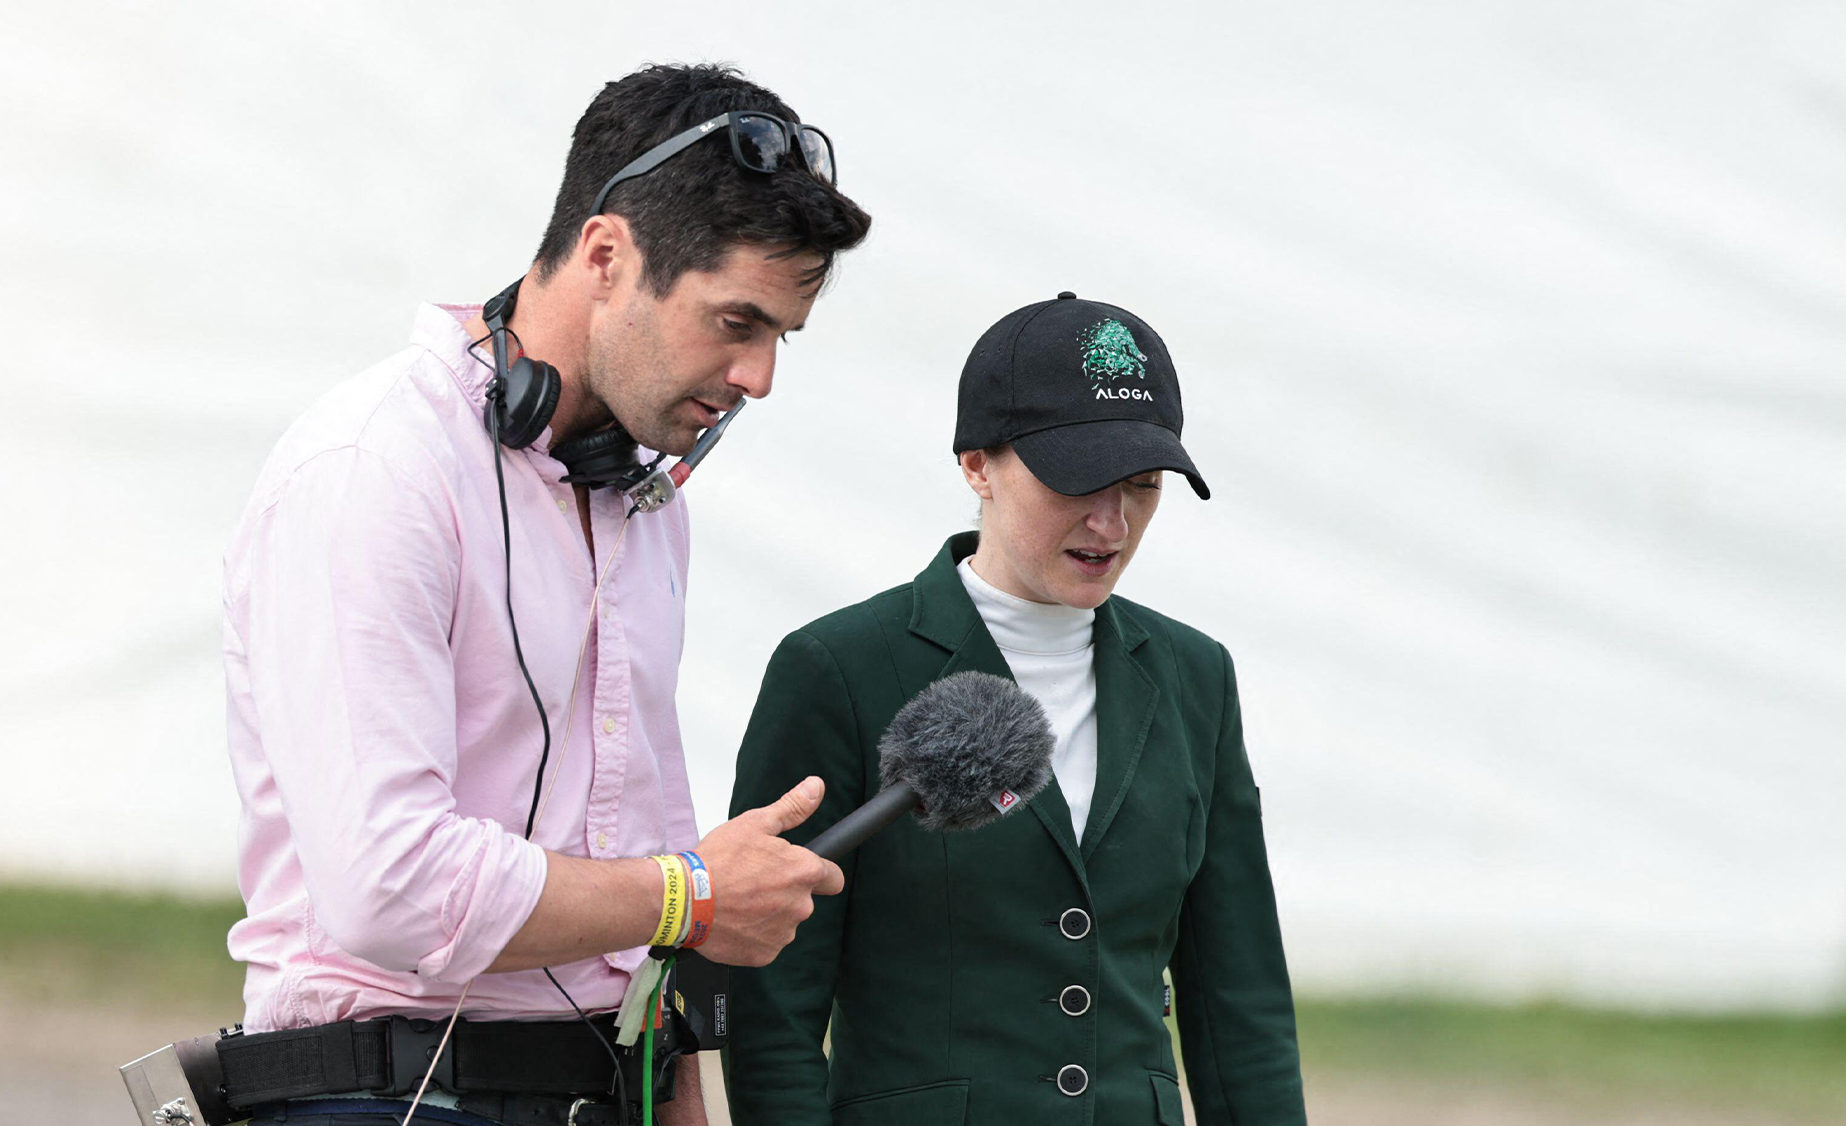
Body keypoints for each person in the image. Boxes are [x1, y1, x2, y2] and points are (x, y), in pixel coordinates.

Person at [219, 64, 870, 1126]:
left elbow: (648, 840)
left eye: (777, 338)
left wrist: (677, 1090)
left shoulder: (644, 501)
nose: (758, 377)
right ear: (606, 256)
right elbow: (388, 883)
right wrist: (691, 894)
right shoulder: (371, 469)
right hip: (379, 1098)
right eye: (735, 322)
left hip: (601, 1088)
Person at [724, 293, 1307, 1124]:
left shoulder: (1195, 675)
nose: (1112, 521)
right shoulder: (838, 668)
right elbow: (773, 1009)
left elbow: (1237, 995)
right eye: (1078, 481)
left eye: (1143, 485)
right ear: (976, 464)